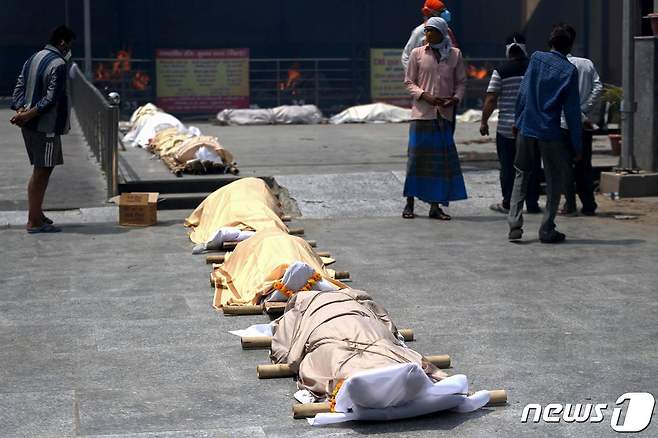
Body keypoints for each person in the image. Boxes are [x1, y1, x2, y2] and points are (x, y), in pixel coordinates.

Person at [508, 24, 582, 243]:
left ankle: (514, 225)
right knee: (553, 180)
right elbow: (572, 112)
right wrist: (577, 145)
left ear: (550, 43)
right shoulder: (570, 71)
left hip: (527, 127)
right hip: (550, 132)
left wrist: (517, 119)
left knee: (521, 174)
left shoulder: (537, 58)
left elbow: (523, 92)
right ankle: (547, 229)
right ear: (569, 47)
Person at [10, 25, 75, 233]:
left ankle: (37, 213)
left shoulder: (33, 57)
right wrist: (28, 114)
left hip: (29, 125)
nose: (69, 50)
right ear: (63, 43)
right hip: (44, 126)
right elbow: (51, 98)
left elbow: (19, 86)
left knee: (41, 169)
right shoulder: (59, 64)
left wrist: (21, 110)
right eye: (69, 45)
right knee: (42, 171)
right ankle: (34, 221)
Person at [403, 17, 467, 221]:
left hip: (444, 116)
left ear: (442, 33)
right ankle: (409, 204)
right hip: (422, 115)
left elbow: (461, 82)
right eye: (426, 31)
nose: (427, 34)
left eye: (432, 31)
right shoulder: (417, 53)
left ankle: (434, 206)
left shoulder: (455, 55)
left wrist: (455, 99)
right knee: (416, 160)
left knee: (439, 163)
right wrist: (425, 95)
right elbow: (409, 82)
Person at [480, 33, 542, 215]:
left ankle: (508, 203)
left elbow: (491, 99)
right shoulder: (535, 68)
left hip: (506, 128)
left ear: (507, 50)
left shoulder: (501, 70)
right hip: (531, 127)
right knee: (532, 166)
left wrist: (484, 121)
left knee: (508, 167)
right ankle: (532, 203)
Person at [558, 24, 603, 216]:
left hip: (561, 124)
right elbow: (598, 88)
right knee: (584, 164)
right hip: (582, 124)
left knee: (564, 165)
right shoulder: (586, 64)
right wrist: (583, 111)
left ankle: (570, 204)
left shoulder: (556, 66)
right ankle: (589, 204)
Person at [401, 0, 457, 71]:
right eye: (442, 11)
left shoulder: (447, 31)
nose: (446, 13)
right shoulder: (419, 32)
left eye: (445, 10)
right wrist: (414, 77)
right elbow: (406, 57)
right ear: (433, 13)